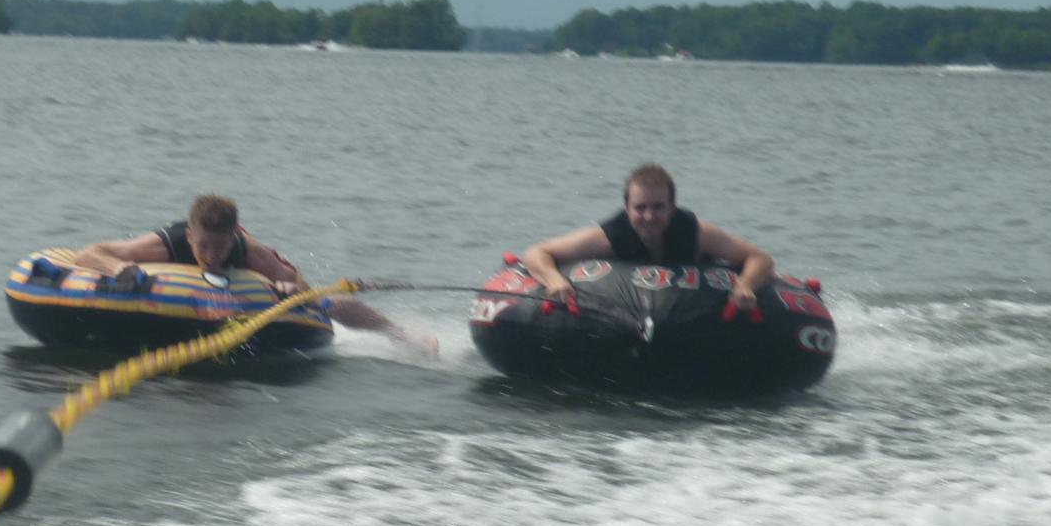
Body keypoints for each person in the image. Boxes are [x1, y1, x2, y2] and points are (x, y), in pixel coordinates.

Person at [72, 194, 440, 357]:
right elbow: (89, 253)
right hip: (170, 296)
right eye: (204, 246)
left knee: (323, 302)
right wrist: (118, 269)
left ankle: (398, 334)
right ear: (190, 236)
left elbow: (301, 287)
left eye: (220, 247)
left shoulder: (250, 252)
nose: (212, 256)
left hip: (246, 291)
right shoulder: (166, 243)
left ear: (233, 236)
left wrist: (288, 287)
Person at [519, 164, 773, 313]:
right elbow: (536, 253)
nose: (649, 217)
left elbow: (759, 257)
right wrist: (554, 280)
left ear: (672, 208)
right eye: (640, 208)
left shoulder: (697, 233)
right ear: (627, 208)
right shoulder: (610, 236)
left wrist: (745, 286)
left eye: (658, 207)